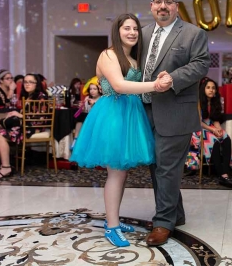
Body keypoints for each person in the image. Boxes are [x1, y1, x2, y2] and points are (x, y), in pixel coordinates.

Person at [70, 13, 171, 248]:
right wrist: (155, 85)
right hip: (113, 114)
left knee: (122, 172)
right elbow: (119, 85)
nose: (132, 33)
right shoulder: (109, 54)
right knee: (115, 172)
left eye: (135, 28)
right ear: (117, 31)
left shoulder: (132, 56)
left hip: (130, 113)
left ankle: (112, 219)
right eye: (127, 28)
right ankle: (112, 227)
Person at [141, 0, 210, 246]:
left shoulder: (193, 33)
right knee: (157, 166)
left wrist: (174, 78)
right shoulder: (143, 34)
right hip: (145, 110)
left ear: (176, 6)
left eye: (168, 2)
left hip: (177, 110)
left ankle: (163, 222)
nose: (163, 6)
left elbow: (201, 64)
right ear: (151, 5)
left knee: (167, 168)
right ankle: (175, 214)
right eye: (158, 1)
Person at [0, 74, 49, 179]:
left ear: (37, 84)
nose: (27, 84)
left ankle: (6, 167)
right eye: (25, 82)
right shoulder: (28, 96)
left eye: (31, 82)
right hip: (26, 125)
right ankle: (5, 165)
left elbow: (40, 118)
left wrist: (19, 115)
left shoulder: (41, 96)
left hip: (34, 127)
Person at [188, 77, 232, 188]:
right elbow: (198, 122)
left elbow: (215, 119)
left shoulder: (214, 102)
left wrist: (218, 129)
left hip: (210, 126)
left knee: (226, 138)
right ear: (203, 89)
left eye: (213, 88)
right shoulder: (198, 102)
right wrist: (213, 130)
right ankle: (222, 175)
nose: (211, 90)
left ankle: (226, 171)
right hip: (198, 128)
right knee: (214, 141)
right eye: (208, 87)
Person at [71, 77, 102, 150]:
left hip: (98, 119)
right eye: (91, 89)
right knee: (80, 116)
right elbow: (85, 111)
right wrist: (83, 105)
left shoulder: (102, 99)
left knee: (83, 117)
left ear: (99, 90)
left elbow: (100, 112)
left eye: (94, 89)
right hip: (88, 119)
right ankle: (75, 139)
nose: (92, 91)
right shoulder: (87, 98)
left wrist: (94, 104)